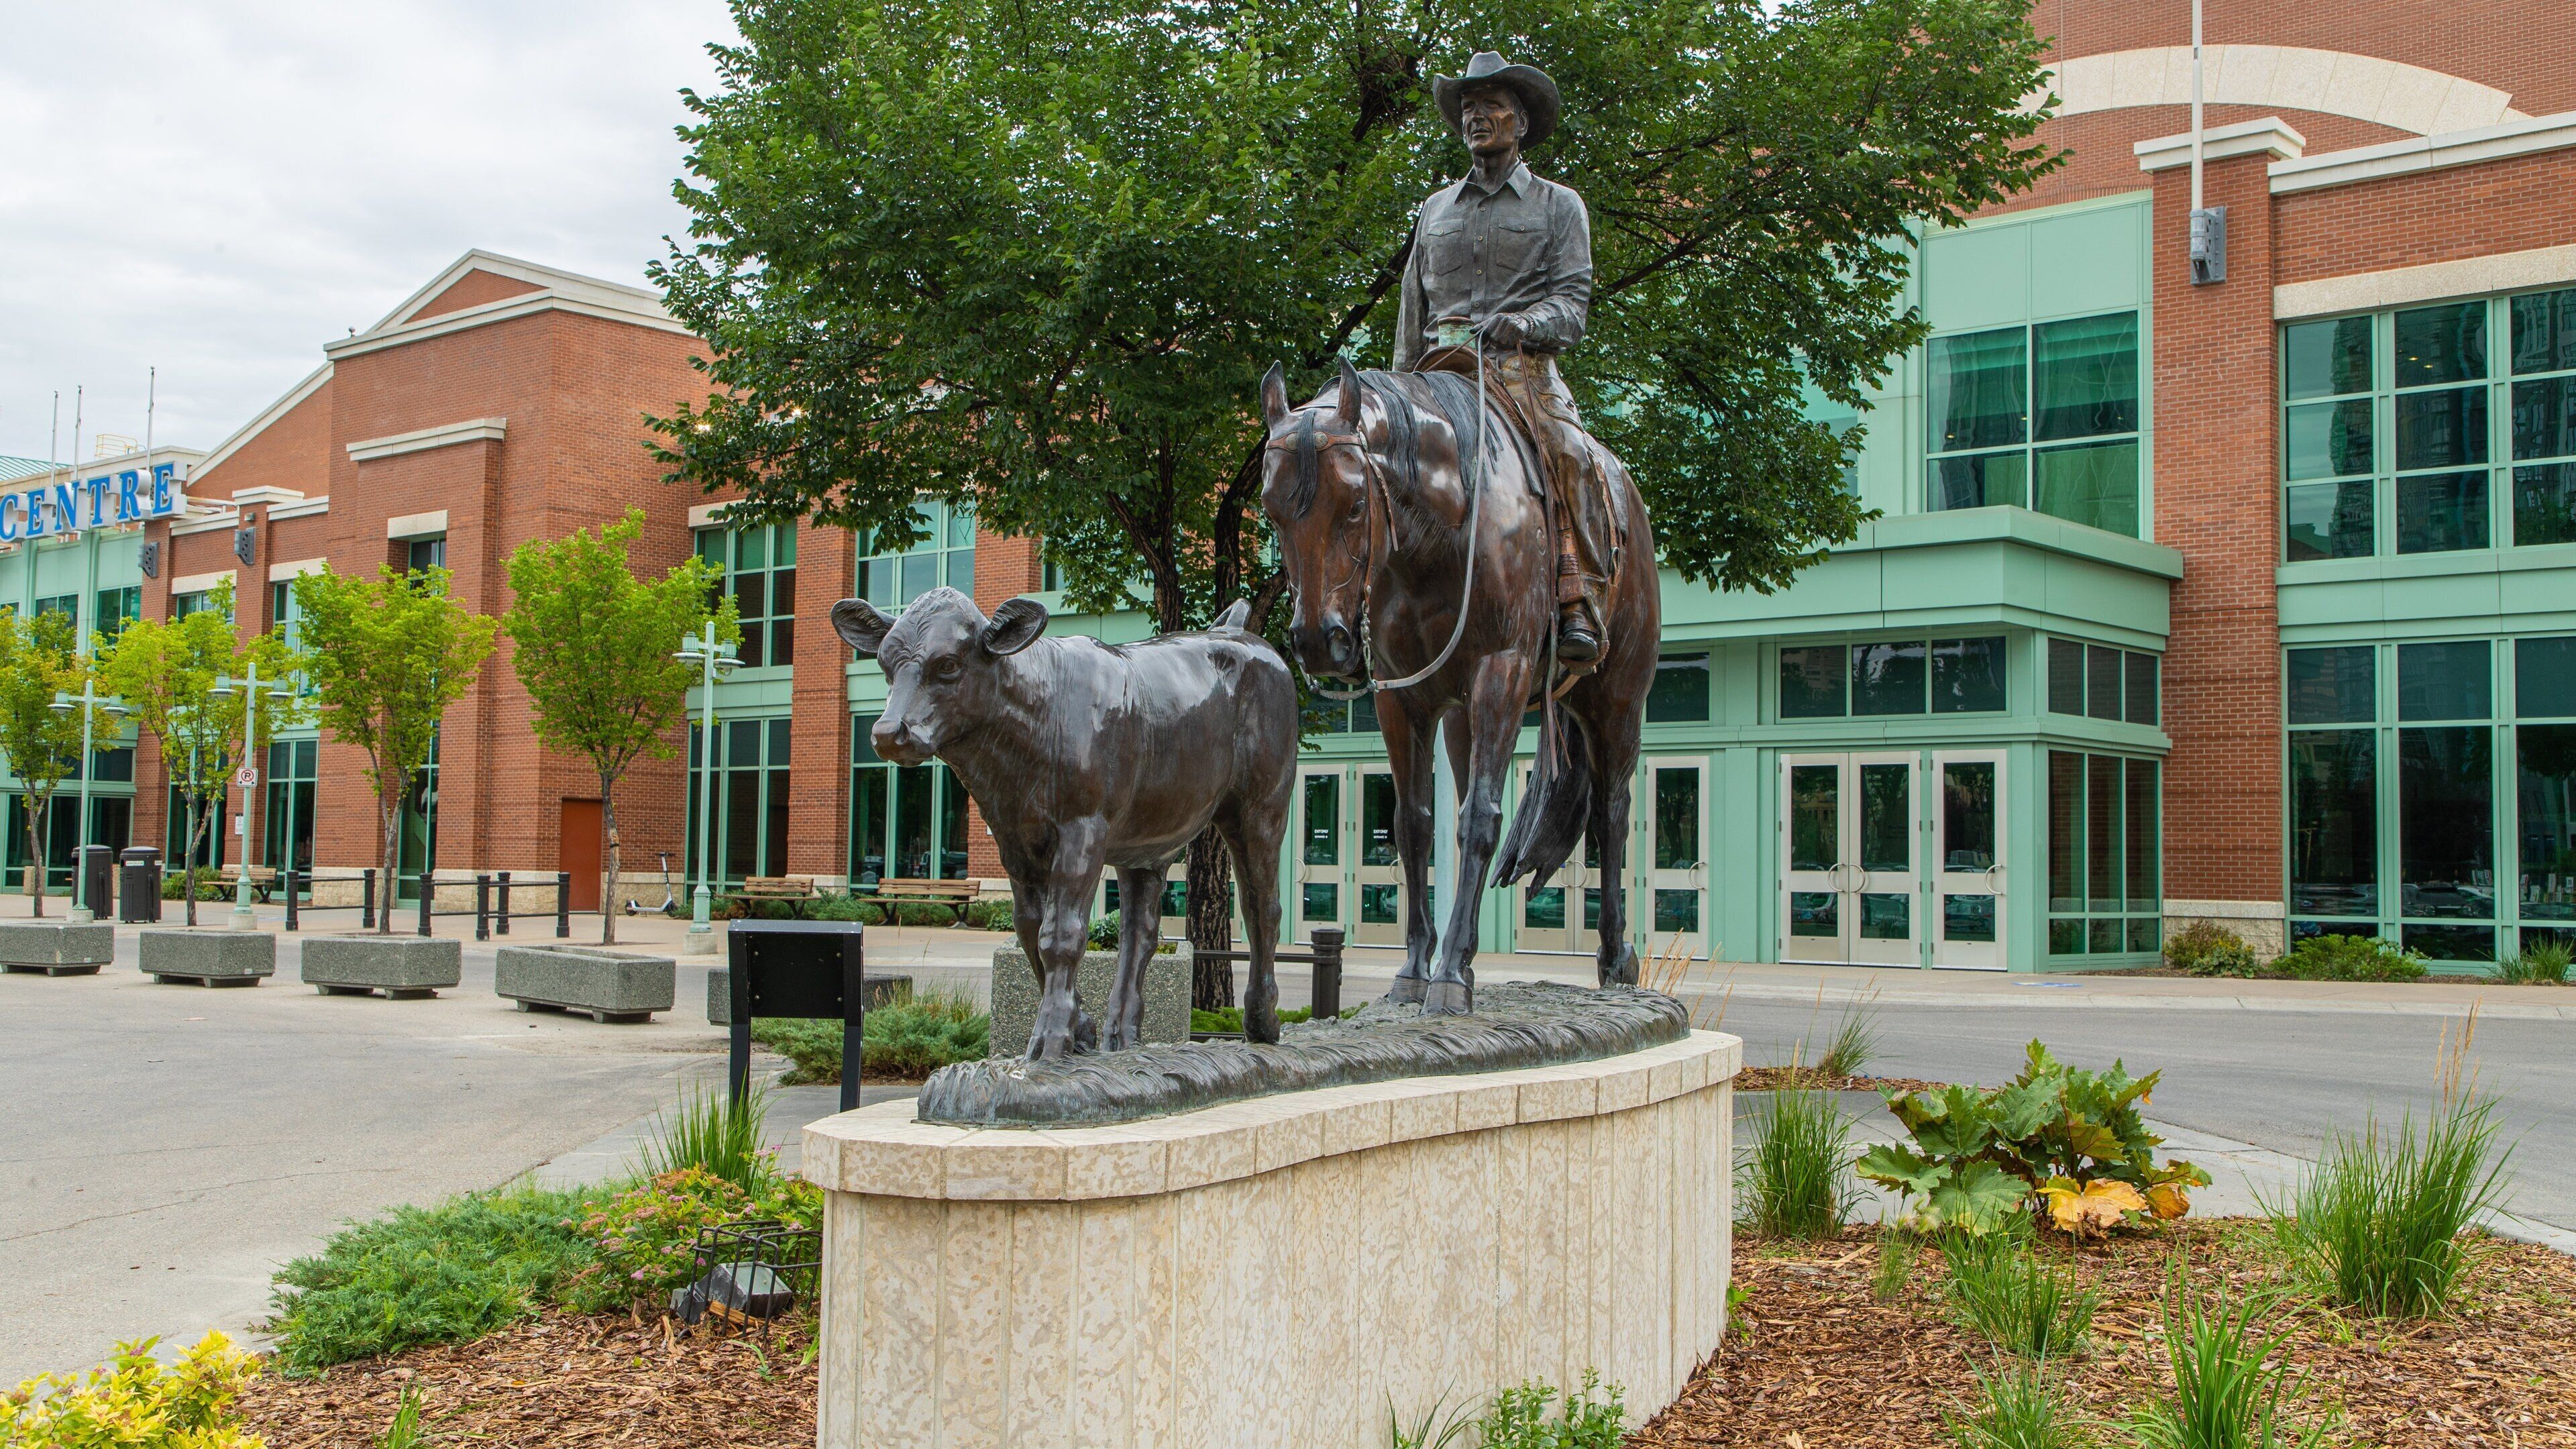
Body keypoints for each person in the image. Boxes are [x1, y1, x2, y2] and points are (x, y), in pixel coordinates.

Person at [1392, 50, 1621, 669]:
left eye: (1491, 106)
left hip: (1521, 374)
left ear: (1520, 123)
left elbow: (1572, 305)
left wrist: (1523, 323)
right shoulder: (1434, 210)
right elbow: (1411, 313)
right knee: (1369, 464)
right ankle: (1369, 610)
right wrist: (1396, 387)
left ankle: (1578, 599)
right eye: (1468, 108)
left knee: (1571, 456)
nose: (1476, 117)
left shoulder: (1558, 206)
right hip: (1437, 378)